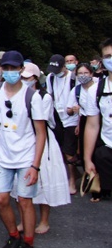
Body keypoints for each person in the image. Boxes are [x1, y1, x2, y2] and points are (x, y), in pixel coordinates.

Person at [0, 50, 48, 248]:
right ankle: (13, 236)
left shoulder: (32, 96)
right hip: (2, 155)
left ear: (21, 69)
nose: (9, 72)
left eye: (13, 68)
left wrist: (35, 166)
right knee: (1, 199)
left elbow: (41, 132)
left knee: (24, 201)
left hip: (26, 156)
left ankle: (28, 243)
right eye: (6, 68)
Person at [21, 62, 69, 233]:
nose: (22, 80)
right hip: (24, 139)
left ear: (34, 78)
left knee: (44, 179)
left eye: (26, 77)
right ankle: (26, 220)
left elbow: (42, 120)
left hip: (43, 140)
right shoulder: (17, 95)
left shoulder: (44, 97)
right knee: (22, 181)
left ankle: (44, 220)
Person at [83, 38, 112, 203]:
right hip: (107, 149)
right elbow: (92, 125)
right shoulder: (95, 89)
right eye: (107, 56)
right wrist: (87, 160)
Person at [46, 53, 80, 194]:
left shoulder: (73, 78)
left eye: (58, 70)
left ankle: (72, 180)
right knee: (60, 149)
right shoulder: (51, 77)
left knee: (69, 151)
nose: (56, 73)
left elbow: (79, 96)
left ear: (64, 66)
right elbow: (49, 95)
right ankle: (69, 175)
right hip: (57, 117)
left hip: (71, 117)